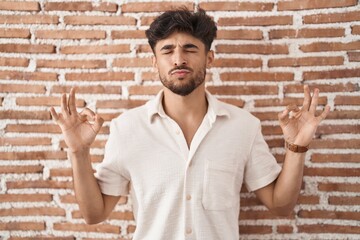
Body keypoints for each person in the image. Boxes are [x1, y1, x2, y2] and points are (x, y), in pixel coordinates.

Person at [49, 7, 330, 240]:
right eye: (167, 50)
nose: (179, 59)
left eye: (190, 49)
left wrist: (297, 146)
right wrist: (78, 151)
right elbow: (94, 214)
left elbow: (279, 206)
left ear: (209, 58)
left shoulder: (244, 126)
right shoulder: (127, 128)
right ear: (155, 62)